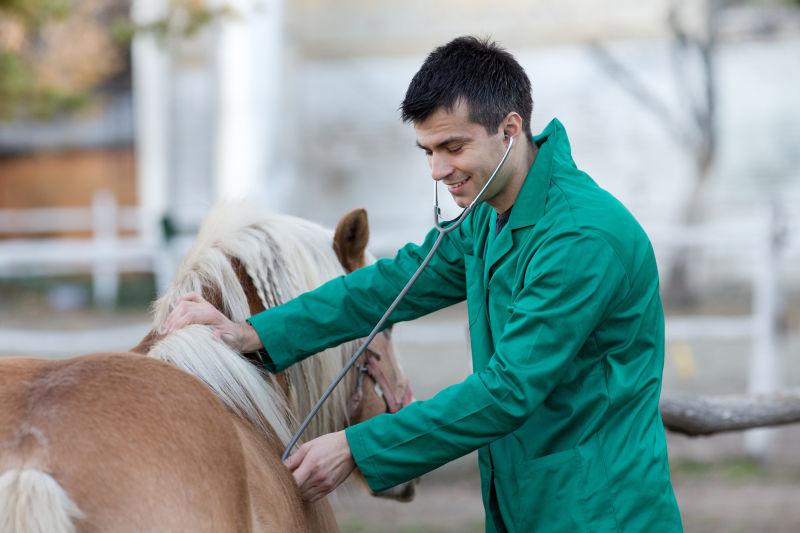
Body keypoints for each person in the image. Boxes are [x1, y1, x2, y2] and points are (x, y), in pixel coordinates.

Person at [164, 36, 683, 532]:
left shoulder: (579, 238)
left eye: (452, 147)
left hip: (601, 511)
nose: (437, 169)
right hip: (526, 495)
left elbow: (508, 391)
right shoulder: (488, 213)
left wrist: (356, 446)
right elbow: (394, 285)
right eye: (427, 150)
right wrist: (256, 333)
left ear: (509, 128)